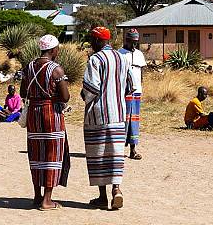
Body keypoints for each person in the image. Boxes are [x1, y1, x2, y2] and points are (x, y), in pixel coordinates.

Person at [82, 26, 134, 211]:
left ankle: (103, 196)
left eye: (91, 40)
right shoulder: (122, 58)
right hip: (119, 115)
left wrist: (83, 95)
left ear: (96, 41)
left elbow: (91, 88)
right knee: (115, 154)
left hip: (98, 115)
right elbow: (131, 86)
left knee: (99, 155)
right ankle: (117, 189)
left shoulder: (95, 60)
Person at [20, 34, 70, 211]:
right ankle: (47, 200)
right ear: (53, 50)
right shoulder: (56, 70)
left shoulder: (29, 68)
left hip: (34, 113)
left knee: (36, 153)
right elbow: (65, 96)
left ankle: (37, 195)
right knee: (52, 153)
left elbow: (23, 92)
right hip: (51, 114)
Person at [118, 28, 146, 160]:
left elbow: (142, 73)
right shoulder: (119, 54)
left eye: (136, 42)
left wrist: (140, 86)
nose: (134, 45)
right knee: (123, 119)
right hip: (124, 92)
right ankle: (118, 149)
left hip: (137, 92)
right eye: (132, 42)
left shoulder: (140, 54)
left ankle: (133, 150)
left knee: (134, 120)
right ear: (126, 40)